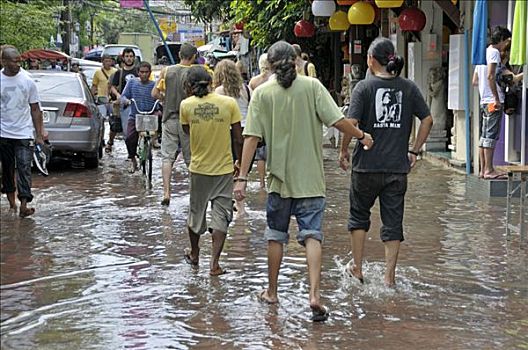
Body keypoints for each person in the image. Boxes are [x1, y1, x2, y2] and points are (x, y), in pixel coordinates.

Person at [233, 41, 373, 322]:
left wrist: (242, 178)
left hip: (279, 181)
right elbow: (338, 121)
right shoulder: (313, 87)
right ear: (296, 61)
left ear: (270, 65)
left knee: (276, 236)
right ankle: (315, 295)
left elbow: (251, 139)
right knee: (312, 235)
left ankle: (272, 292)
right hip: (310, 179)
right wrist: (361, 136)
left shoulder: (262, 94)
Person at [339, 37, 433, 287]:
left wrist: (343, 150)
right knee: (393, 223)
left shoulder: (363, 88)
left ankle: (357, 268)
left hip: (365, 167)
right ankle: (389, 278)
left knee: (359, 217)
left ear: (371, 60)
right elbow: (428, 120)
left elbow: (352, 124)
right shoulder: (409, 88)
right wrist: (414, 151)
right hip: (396, 168)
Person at [180, 65, 243, 276]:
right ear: (211, 83)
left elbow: (187, 131)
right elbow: (237, 138)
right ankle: (214, 264)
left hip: (198, 169)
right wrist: (240, 164)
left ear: (189, 86)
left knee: (196, 213)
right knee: (221, 215)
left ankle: (195, 254)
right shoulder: (228, 103)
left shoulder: (186, 106)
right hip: (224, 169)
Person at [0, 46, 45, 218]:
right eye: (14, 61)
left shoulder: (27, 80)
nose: (18, 64)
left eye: (20, 60)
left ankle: (24, 204)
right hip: (3, 133)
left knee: (25, 167)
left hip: (24, 133)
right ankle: (12, 203)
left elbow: (35, 109)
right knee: (7, 169)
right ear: (3, 61)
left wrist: (39, 134)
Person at [151, 43, 197, 206]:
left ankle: (166, 193)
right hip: (189, 121)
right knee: (191, 159)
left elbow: (155, 93)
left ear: (179, 55)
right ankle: (194, 194)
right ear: (193, 57)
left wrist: (166, 99)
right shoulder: (194, 73)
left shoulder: (166, 71)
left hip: (169, 118)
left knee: (167, 157)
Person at [213, 59, 251, 215]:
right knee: (242, 171)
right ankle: (241, 209)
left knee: (227, 169)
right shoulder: (247, 89)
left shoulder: (219, 91)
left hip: (227, 131)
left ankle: (228, 203)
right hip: (246, 133)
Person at [475, 26, 512, 180]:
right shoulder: (494, 53)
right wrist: (496, 97)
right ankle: (489, 170)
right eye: (507, 41)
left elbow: (474, 81)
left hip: (484, 101)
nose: (507, 46)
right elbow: (491, 76)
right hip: (492, 101)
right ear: (502, 39)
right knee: (490, 136)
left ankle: (483, 170)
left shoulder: (483, 53)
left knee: (484, 137)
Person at [120, 61, 158, 173]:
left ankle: (155, 140)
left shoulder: (153, 85)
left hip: (149, 115)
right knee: (129, 138)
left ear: (150, 73)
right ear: (138, 72)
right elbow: (123, 96)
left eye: (146, 72)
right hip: (135, 116)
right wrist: (126, 101)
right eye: (142, 72)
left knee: (158, 123)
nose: (144, 74)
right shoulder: (132, 83)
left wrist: (160, 101)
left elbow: (158, 97)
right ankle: (132, 159)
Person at [248, 53, 271, 189]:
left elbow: (251, 102)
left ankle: (262, 183)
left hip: (258, 119)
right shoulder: (274, 81)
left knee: (260, 155)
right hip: (272, 118)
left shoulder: (254, 82)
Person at [111, 47, 139, 144]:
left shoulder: (138, 72)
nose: (129, 58)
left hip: (136, 104)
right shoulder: (119, 73)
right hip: (122, 104)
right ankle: (110, 142)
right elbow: (112, 87)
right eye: (127, 56)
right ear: (123, 58)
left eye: (131, 56)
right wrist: (118, 95)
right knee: (116, 125)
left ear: (134, 58)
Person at [92, 55, 118, 153]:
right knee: (101, 120)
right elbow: (94, 86)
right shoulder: (98, 73)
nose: (108, 62)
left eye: (109, 61)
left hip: (112, 100)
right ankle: (101, 138)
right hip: (101, 99)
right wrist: (92, 97)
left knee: (114, 121)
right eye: (106, 61)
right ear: (102, 62)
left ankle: (111, 140)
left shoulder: (115, 72)